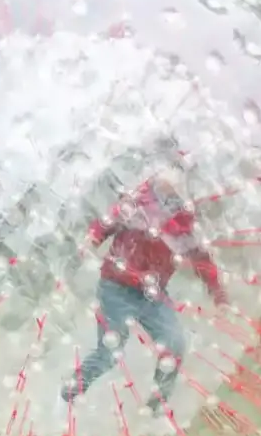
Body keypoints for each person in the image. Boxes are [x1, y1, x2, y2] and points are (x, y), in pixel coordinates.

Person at [61, 159, 228, 414]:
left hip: (153, 294)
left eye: (178, 177)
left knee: (174, 344)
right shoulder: (137, 201)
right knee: (109, 353)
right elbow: (107, 223)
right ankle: (70, 392)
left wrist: (219, 295)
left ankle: (156, 406)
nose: (172, 180)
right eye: (167, 172)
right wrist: (90, 241)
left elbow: (200, 257)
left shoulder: (185, 218)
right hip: (116, 287)